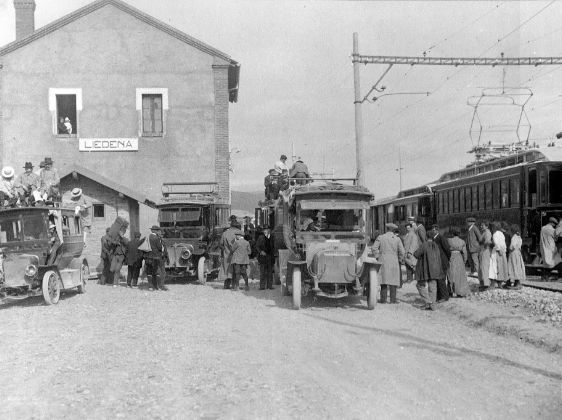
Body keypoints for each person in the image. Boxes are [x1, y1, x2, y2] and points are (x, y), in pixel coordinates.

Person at [372, 223, 405, 304]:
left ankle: (383, 300)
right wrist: (400, 259)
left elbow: (374, 248)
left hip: (383, 260)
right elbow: (402, 251)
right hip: (394, 261)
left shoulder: (381, 237)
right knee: (393, 281)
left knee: (384, 280)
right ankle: (393, 300)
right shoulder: (397, 239)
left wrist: (377, 257)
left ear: (387, 229)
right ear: (394, 230)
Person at [414, 230, 444, 310]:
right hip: (435, 269)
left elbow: (416, 254)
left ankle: (428, 302)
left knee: (420, 285)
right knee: (433, 287)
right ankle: (432, 306)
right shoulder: (436, 245)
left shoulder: (424, 245)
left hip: (425, 269)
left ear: (426, 237)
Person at [447, 227, 471, 297]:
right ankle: (459, 292)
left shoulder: (448, 240)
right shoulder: (462, 242)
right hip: (459, 257)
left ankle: (450, 291)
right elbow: (464, 252)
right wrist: (464, 260)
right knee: (459, 275)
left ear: (452, 233)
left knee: (450, 274)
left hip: (451, 256)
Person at [145, 225, 169, 291]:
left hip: (148, 257)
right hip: (156, 257)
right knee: (158, 272)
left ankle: (150, 286)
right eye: (158, 230)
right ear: (155, 231)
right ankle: (159, 286)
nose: (159, 232)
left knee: (149, 272)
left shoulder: (146, 237)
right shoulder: (156, 238)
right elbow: (160, 248)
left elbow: (140, 244)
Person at [431, 224, 451, 302]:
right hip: (437, 262)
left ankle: (444, 296)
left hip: (442, 262)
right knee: (438, 279)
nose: (433, 231)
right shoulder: (434, 238)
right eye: (432, 230)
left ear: (437, 230)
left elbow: (447, 249)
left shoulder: (441, 238)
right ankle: (440, 296)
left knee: (441, 279)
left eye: (434, 230)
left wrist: (446, 259)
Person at [218, 221, 239, 289]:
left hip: (227, 254)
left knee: (226, 270)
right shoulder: (239, 233)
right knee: (235, 269)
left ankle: (226, 286)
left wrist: (225, 249)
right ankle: (234, 285)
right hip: (236, 254)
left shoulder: (225, 233)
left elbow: (220, 244)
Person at [255, 224, 275, 290]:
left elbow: (274, 247)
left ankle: (269, 286)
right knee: (263, 272)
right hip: (263, 257)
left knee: (270, 272)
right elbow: (257, 246)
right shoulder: (261, 237)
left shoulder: (272, 237)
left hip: (270, 257)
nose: (265, 231)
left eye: (266, 230)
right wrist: (260, 251)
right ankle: (262, 286)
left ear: (269, 230)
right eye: (264, 230)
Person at [490, 222, 508, 289]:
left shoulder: (495, 234)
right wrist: (503, 250)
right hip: (503, 252)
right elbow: (503, 244)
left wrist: (498, 249)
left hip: (497, 252)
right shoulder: (501, 234)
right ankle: (500, 283)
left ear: (493, 228)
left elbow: (496, 243)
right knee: (501, 267)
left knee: (495, 267)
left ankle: (493, 283)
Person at [506, 225, 525, 290]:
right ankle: (513, 282)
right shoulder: (519, 237)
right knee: (517, 266)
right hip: (518, 253)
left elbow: (512, 246)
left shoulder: (514, 237)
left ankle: (517, 283)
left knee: (513, 266)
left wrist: (508, 247)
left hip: (513, 253)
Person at [478, 220, 493, 290]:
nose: (481, 227)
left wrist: (483, 243)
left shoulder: (487, 232)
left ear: (486, 226)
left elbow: (488, 241)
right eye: (481, 225)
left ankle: (486, 283)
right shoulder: (484, 232)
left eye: (482, 225)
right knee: (481, 267)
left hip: (485, 250)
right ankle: (483, 282)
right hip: (482, 251)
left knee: (484, 267)